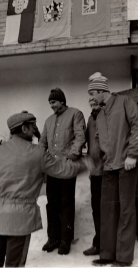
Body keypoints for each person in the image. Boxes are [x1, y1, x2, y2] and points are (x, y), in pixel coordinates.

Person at [0, 111, 90, 267]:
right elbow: (64, 170)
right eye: (33, 126)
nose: (35, 130)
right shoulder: (38, 153)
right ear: (24, 129)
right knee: (15, 264)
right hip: (20, 219)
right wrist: (86, 164)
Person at [88, 72, 138, 267]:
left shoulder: (124, 102)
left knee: (126, 211)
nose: (90, 99)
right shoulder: (99, 114)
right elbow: (100, 140)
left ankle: (123, 258)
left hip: (127, 165)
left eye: (92, 94)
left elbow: (137, 125)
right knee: (107, 210)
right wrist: (94, 159)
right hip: (108, 167)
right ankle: (107, 254)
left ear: (102, 91)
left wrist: (133, 154)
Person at [39, 88, 86, 255]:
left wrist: (71, 156)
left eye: (53, 102)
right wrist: (41, 159)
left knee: (66, 204)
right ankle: (53, 239)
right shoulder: (48, 121)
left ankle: (65, 241)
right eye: (50, 103)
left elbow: (80, 137)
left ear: (62, 101)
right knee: (52, 203)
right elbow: (42, 142)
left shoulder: (75, 114)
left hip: (67, 168)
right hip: (51, 170)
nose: (51, 106)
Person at [83, 99, 103, 256]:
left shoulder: (109, 115)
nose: (92, 102)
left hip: (110, 171)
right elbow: (89, 144)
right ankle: (99, 244)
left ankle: (111, 245)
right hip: (95, 172)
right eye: (90, 100)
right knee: (96, 208)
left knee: (110, 209)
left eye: (95, 98)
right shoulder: (90, 118)